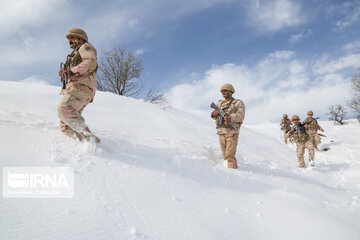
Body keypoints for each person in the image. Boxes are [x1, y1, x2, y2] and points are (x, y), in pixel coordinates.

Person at [58, 28, 100, 143]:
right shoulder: (75, 53)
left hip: (82, 87)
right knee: (65, 126)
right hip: (75, 88)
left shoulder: (85, 47)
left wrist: (72, 71)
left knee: (64, 108)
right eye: (68, 38)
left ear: (79, 38)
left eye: (72, 37)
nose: (69, 41)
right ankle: (82, 145)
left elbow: (90, 63)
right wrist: (65, 73)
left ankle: (90, 139)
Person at [211, 83, 245, 169]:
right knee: (225, 155)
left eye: (225, 90)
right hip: (221, 132)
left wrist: (230, 117)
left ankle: (234, 172)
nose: (223, 92)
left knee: (230, 155)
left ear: (231, 91)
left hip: (232, 132)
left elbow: (241, 116)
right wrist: (214, 113)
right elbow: (214, 117)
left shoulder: (238, 102)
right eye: (222, 91)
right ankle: (230, 173)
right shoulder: (219, 104)